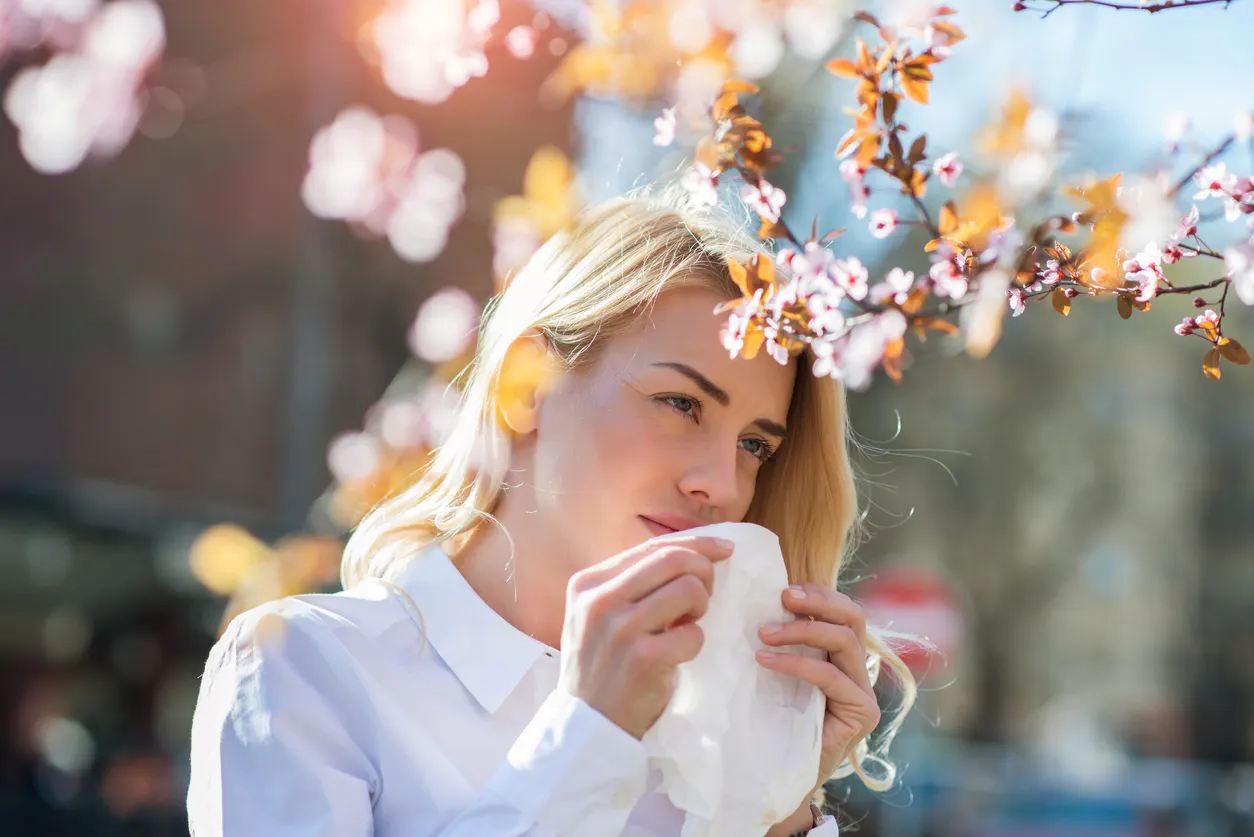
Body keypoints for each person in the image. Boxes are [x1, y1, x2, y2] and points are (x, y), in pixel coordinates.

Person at [186, 189, 918, 836]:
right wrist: (588, 734)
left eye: (756, 444)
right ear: (525, 386)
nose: (721, 484)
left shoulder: (707, 737)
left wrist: (778, 805)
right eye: (681, 403)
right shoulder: (305, 670)